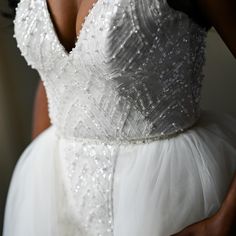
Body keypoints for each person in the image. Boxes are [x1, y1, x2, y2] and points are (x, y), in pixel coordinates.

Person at [2, 0, 236, 235]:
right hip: (57, 185)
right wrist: (39, 193)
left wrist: (223, 222)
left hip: (164, 191)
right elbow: (59, 71)